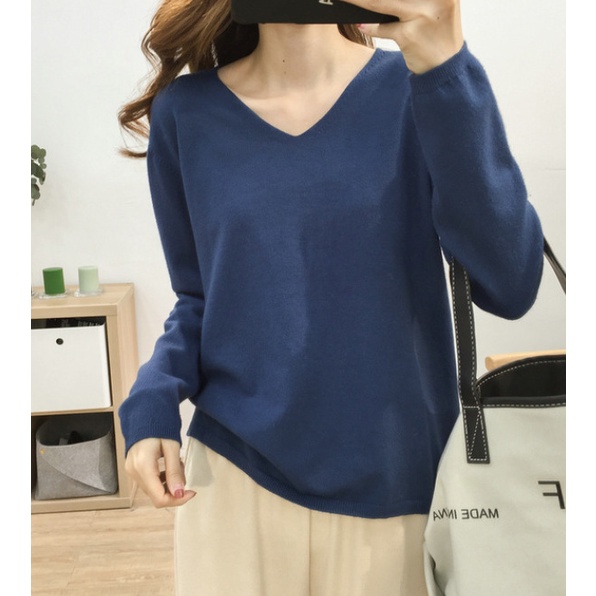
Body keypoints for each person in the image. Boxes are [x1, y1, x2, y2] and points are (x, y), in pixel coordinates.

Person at [118, 0, 544, 594]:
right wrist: (152, 396)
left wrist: (448, 70)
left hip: (394, 483)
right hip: (234, 478)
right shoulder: (185, 113)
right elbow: (199, 297)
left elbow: (511, 284)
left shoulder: (419, 87)